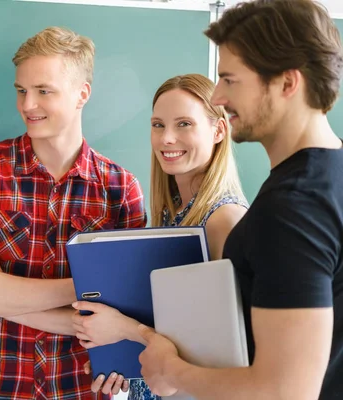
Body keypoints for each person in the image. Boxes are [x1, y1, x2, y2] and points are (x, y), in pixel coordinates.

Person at [136, 1, 343, 399]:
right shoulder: (323, 180)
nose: (218, 95)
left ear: (286, 83)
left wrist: (172, 370)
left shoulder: (292, 209)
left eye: (230, 80)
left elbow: (283, 391)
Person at [0, 26, 147, 399]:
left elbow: (126, 314)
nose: (27, 105)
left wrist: (4, 291)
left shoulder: (120, 189)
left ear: (82, 94)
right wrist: (84, 295)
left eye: (43, 92)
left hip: (82, 385)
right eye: (21, 90)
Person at [69, 73, 248, 398]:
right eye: (157, 124)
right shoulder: (173, 214)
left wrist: (123, 329)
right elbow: (172, 326)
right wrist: (122, 356)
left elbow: (220, 350)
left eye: (183, 124)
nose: (166, 138)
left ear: (219, 130)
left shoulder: (224, 220)